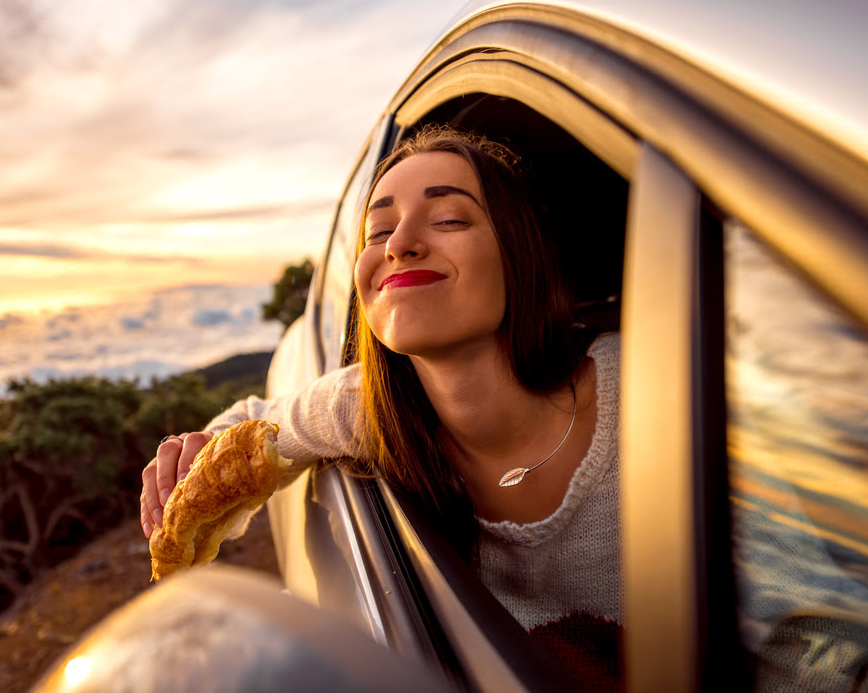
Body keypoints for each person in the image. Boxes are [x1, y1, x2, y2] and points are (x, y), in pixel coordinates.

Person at [141, 124, 624, 686]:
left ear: (519, 254)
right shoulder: (366, 409)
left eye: (448, 219)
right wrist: (191, 457)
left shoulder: (640, 389)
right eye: (379, 231)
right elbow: (248, 425)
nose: (399, 245)